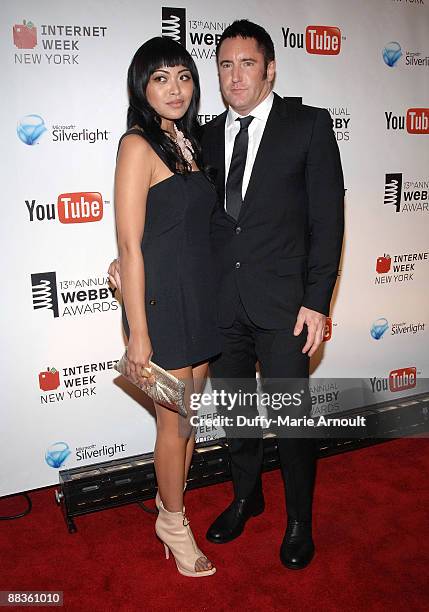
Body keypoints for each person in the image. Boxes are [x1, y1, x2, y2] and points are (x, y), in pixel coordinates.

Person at [110, 19, 344, 570]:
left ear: (269, 68)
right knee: (236, 416)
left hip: (286, 307)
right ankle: (246, 496)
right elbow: (175, 221)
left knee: (290, 419)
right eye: (224, 65)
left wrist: (317, 300)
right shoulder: (200, 137)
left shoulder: (308, 126)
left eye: (247, 63)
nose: (234, 76)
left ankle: (298, 521)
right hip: (218, 306)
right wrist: (126, 259)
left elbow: (328, 220)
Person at [113, 36, 220, 577]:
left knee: (190, 422)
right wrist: (138, 332)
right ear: (143, 87)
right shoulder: (138, 146)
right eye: (161, 78)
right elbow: (130, 246)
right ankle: (174, 524)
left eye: (183, 75)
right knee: (173, 425)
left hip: (201, 298)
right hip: (163, 306)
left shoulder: (192, 143)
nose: (175, 88)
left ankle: (167, 505)